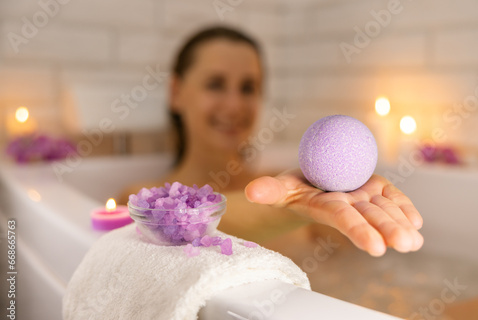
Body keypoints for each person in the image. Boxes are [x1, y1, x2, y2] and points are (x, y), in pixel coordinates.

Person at [120, 25, 424, 257]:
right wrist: (285, 207)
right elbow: (175, 229)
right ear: (176, 92)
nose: (234, 105)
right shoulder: (141, 204)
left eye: (248, 88)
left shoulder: (312, 189)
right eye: (215, 84)